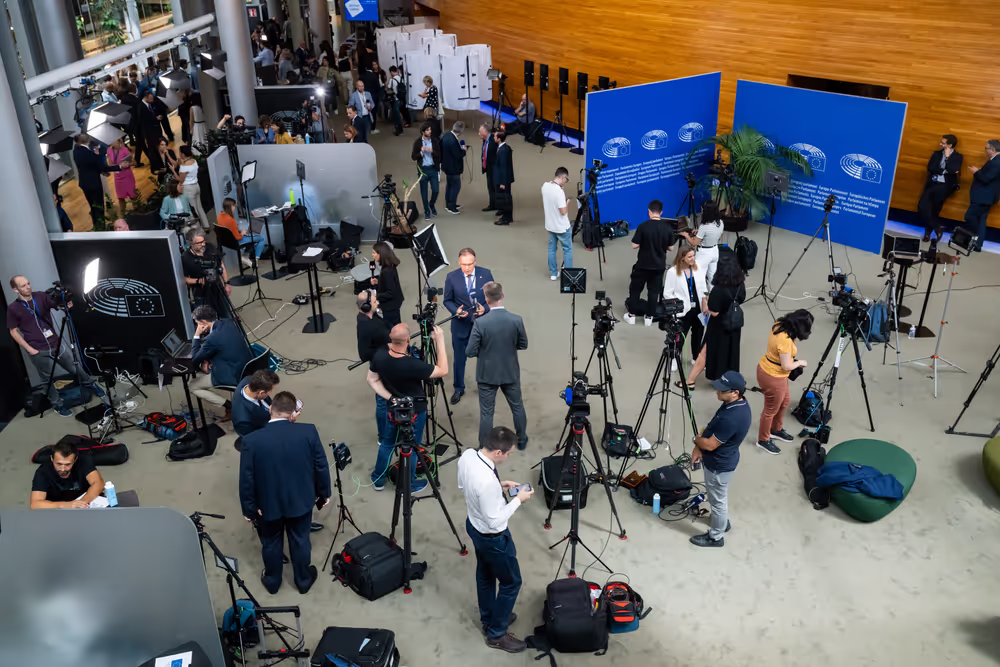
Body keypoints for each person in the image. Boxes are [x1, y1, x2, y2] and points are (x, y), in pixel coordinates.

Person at [240, 392, 330, 595]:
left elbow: (247, 478)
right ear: (293, 414)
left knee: (271, 542)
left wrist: (249, 508)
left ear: (270, 408)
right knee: (300, 540)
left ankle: (272, 581)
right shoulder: (308, 432)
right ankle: (303, 580)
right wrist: (323, 494)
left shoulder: (251, 440)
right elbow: (321, 466)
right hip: (301, 500)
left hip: (267, 504)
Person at [457, 426, 534, 652]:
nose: (508, 456)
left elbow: (465, 485)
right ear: (498, 453)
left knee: (486, 574)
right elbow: (495, 521)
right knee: (512, 583)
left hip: (473, 526)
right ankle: (497, 633)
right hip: (492, 538)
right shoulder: (487, 483)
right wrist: (518, 499)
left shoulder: (468, 455)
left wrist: (500, 485)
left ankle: (489, 617)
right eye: (508, 453)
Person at [367, 323, 450, 492]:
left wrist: (391, 398)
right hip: (415, 411)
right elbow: (443, 370)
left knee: (387, 444)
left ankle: (378, 480)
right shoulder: (413, 365)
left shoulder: (380, 356)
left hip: (394, 408)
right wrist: (439, 341)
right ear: (408, 339)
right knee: (412, 447)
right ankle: (409, 484)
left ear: (390, 338)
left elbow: (372, 379)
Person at [7, 275, 99, 417]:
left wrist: (66, 305)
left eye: (28, 283)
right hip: (37, 348)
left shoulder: (41, 296)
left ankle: (91, 385)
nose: (28, 287)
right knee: (47, 379)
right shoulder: (13, 308)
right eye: (23, 286)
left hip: (55, 342)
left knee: (74, 366)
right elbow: (13, 332)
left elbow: (58, 306)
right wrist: (29, 349)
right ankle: (58, 405)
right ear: (15, 289)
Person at [690, 371, 752, 548]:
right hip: (721, 461)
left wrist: (696, 440)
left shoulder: (732, 418)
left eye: (722, 390)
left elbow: (710, 445)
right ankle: (721, 521)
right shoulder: (733, 404)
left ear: (735, 392)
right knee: (717, 498)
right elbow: (711, 427)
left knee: (717, 501)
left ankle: (716, 536)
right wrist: (697, 447)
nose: (717, 392)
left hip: (719, 465)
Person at [466, 282, 529, 449]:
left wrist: (486, 351)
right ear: (502, 295)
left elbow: (470, 351)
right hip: (510, 371)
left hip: (487, 374)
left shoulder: (480, 323)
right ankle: (521, 440)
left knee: (486, 413)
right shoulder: (516, 320)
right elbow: (523, 344)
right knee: (517, 407)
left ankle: (484, 447)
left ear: (486, 299)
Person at [684, 252, 746, 388]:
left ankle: (690, 381)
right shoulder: (740, 284)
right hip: (734, 324)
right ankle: (727, 379)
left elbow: (714, 312)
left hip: (718, 327)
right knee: (730, 352)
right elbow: (741, 299)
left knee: (704, 352)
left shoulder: (719, 289)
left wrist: (706, 301)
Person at [755, 309, 813, 455]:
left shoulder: (779, 324)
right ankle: (763, 439)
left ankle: (776, 429)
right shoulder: (785, 341)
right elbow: (786, 365)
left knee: (785, 401)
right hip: (773, 376)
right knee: (770, 410)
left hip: (773, 372)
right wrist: (800, 362)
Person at [443, 248, 494, 404]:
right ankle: (459, 388)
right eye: (464, 264)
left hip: (482, 324)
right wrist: (455, 311)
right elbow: (447, 300)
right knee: (459, 359)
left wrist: (485, 307)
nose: (467, 268)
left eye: (470, 264)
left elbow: (493, 296)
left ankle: (484, 387)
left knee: (485, 358)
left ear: (475, 261)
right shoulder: (451, 277)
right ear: (459, 262)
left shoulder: (485, 274)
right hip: (460, 325)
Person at [189, 304, 252, 420]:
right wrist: (208, 359)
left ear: (203, 322)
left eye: (197, 324)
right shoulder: (228, 322)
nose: (197, 326)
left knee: (192, 386)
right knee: (206, 367)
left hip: (232, 374)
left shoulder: (213, 339)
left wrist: (197, 335)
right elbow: (223, 345)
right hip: (246, 367)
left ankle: (229, 405)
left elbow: (195, 358)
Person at [624, 200, 676, 325]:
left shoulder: (643, 226)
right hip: (659, 265)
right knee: (653, 291)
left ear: (649, 211)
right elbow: (671, 248)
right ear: (661, 212)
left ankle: (631, 315)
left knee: (635, 289)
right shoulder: (667, 228)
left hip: (643, 264)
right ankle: (649, 317)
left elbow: (634, 245)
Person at [663, 243, 709, 372]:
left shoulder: (697, 267)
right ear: (682, 258)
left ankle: (696, 357)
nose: (693, 259)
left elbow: (703, 287)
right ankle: (674, 358)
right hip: (683, 310)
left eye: (693, 256)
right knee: (679, 336)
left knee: (698, 334)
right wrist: (677, 305)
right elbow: (667, 293)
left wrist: (705, 302)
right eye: (690, 257)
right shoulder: (673, 272)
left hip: (698, 308)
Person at [356, 289, 391, 445]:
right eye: (375, 300)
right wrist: (384, 352)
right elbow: (364, 354)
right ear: (365, 306)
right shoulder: (365, 326)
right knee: (382, 400)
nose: (377, 301)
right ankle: (383, 437)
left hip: (385, 360)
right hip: (380, 365)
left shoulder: (372, 317)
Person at [29, 439, 105, 509]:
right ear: (52, 459)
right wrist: (65, 505)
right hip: (59, 509)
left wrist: (81, 503)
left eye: (67, 465)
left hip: (84, 503)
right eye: (59, 464)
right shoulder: (43, 471)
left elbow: (99, 484)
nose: (62, 469)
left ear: (75, 459)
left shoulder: (84, 461)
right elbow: (35, 504)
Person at [917, 134, 963, 242]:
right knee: (922, 206)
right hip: (932, 183)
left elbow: (953, 170)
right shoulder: (936, 154)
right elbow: (930, 167)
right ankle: (937, 227)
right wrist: (944, 171)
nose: (940, 144)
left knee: (935, 209)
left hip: (945, 186)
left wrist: (947, 159)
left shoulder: (958, 157)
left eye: (943, 143)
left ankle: (927, 233)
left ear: (950, 145)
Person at [73, 134, 124, 229]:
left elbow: (91, 165)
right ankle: (101, 228)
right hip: (94, 184)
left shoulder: (76, 150)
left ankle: (97, 226)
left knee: (93, 207)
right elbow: (101, 166)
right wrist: (119, 167)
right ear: (87, 140)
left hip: (84, 184)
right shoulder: (89, 154)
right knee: (99, 208)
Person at [965, 139, 1000, 252]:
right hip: (986, 197)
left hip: (983, 197)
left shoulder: (996, 162)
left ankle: (975, 237)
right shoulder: (995, 160)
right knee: (981, 221)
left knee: (969, 217)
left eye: (986, 148)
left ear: (993, 149)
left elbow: (986, 179)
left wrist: (976, 172)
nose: (985, 151)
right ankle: (977, 245)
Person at [679, 200, 724, 289]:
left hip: (704, 254)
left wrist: (686, 235)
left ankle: (701, 299)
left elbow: (694, 243)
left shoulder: (704, 226)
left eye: (702, 209)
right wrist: (700, 234)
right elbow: (718, 237)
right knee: (712, 278)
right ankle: (712, 297)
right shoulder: (720, 223)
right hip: (715, 251)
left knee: (699, 277)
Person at [183, 230, 232, 311]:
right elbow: (184, 278)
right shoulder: (186, 258)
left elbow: (220, 264)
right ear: (191, 244)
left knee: (226, 314)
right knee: (207, 319)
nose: (203, 244)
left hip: (217, 288)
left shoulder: (209, 247)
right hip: (201, 294)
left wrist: (226, 283)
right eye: (199, 243)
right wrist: (198, 281)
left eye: (203, 241)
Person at [541, 167, 573, 279]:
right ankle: (569, 276)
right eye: (566, 179)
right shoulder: (559, 192)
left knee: (551, 249)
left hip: (550, 225)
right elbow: (563, 211)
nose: (566, 181)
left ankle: (553, 274)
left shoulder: (545, 186)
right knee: (567, 250)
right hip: (562, 227)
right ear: (563, 177)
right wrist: (567, 201)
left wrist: (562, 191)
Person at [217, 197, 264, 266]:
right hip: (235, 242)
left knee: (251, 238)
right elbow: (238, 237)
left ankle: (246, 257)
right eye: (234, 205)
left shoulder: (219, 216)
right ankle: (255, 259)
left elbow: (228, 229)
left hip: (225, 241)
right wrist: (241, 233)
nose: (235, 207)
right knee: (261, 238)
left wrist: (239, 231)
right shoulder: (231, 220)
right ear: (230, 207)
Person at [232, 369, 280, 438]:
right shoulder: (243, 420)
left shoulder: (248, 380)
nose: (271, 392)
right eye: (270, 391)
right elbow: (253, 439)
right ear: (261, 392)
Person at [413, 122, 442, 221]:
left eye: (430, 130)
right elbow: (413, 157)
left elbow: (439, 155)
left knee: (436, 190)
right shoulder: (417, 142)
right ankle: (426, 211)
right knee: (424, 193)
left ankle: (432, 204)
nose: (430, 132)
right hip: (423, 169)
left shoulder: (434, 141)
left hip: (433, 169)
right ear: (423, 131)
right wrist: (421, 152)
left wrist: (432, 151)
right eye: (427, 130)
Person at [371, 242, 403, 328]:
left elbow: (390, 293)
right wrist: (379, 282)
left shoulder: (387, 271)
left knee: (392, 328)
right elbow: (391, 284)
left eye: (374, 253)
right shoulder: (390, 267)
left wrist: (376, 295)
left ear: (381, 254)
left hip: (390, 305)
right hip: (395, 302)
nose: (373, 255)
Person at [178, 146, 209, 230]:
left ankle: (199, 230)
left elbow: (181, 180)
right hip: (196, 186)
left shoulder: (183, 167)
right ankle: (206, 225)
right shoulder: (194, 161)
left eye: (180, 152)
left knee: (193, 211)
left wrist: (174, 171)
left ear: (183, 154)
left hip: (188, 189)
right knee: (200, 207)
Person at [441, 121, 467, 214]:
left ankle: (449, 204)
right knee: (456, 186)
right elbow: (457, 155)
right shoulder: (453, 141)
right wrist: (464, 151)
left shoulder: (447, 135)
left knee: (450, 185)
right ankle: (451, 206)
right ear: (460, 131)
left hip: (446, 165)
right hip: (453, 167)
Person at [107, 137, 135, 214]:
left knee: (132, 195)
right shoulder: (109, 150)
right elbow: (109, 165)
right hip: (117, 176)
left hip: (127, 175)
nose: (112, 142)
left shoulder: (124, 150)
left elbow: (133, 162)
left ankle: (137, 211)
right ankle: (123, 215)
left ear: (118, 140)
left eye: (113, 140)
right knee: (120, 197)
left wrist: (127, 164)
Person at [493, 131, 515, 225]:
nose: (493, 137)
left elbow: (504, 167)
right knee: (504, 198)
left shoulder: (503, 151)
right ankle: (506, 216)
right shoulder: (505, 148)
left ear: (499, 139)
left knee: (505, 198)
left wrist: (502, 182)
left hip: (503, 180)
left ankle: (506, 218)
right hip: (504, 178)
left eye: (494, 136)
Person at [480, 124, 498, 212]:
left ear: (486, 132)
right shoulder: (485, 140)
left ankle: (499, 206)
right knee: (490, 186)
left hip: (495, 168)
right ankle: (492, 204)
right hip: (488, 167)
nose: (479, 134)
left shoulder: (494, 140)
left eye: (480, 132)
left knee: (496, 187)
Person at [387, 65, 404, 135]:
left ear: (391, 72)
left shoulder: (392, 80)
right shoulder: (401, 78)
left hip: (395, 99)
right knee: (399, 113)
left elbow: (389, 88)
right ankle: (401, 129)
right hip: (401, 98)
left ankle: (398, 129)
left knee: (396, 116)